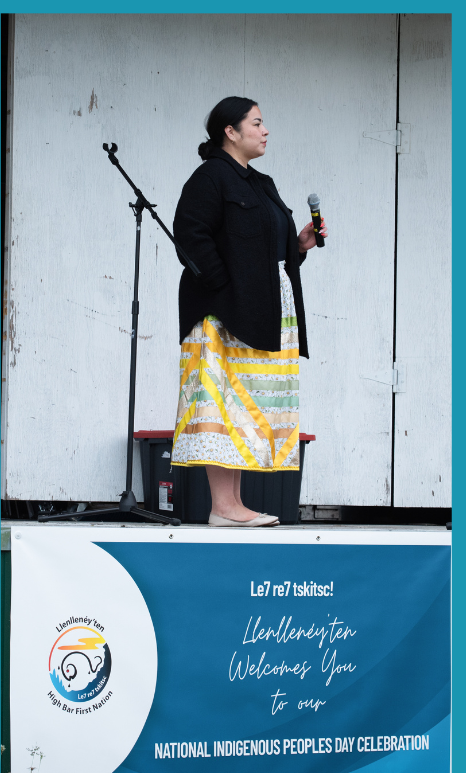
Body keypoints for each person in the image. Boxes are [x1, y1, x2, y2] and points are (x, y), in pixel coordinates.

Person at [171, 97, 326, 526]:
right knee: (221, 404)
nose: (265, 130)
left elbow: (259, 244)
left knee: (242, 406)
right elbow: (189, 236)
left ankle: (232, 506)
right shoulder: (210, 178)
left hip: (258, 309)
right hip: (222, 313)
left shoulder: (259, 182)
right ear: (230, 131)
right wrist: (224, 288)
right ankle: (223, 506)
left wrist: (296, 245)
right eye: (257, 123)